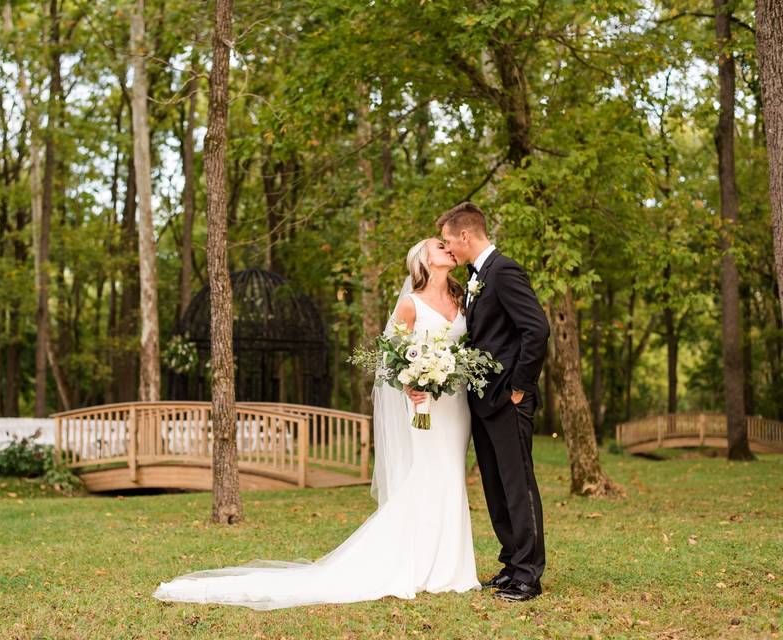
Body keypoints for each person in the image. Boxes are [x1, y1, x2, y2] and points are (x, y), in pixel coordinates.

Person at [152, 237, 480, 610]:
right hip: (424, 406)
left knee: (451, 474)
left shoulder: (464, 298)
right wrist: (411, 385)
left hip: (456, 405)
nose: (448, 249)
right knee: (426, 475)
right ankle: (422, 564)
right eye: (440, 246)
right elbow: (390, 358)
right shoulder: (410, 305)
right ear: (423, 260)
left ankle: (453, 567)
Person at [412, 201, 550, 602]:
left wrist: (519, 388)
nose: (450, 249)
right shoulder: (476, 278)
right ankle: (511, 564)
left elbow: (536, 330)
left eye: (450, 240)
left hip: (508, 399)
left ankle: (528, 575)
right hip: (482, 402)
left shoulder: (503, 271)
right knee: (496, 485)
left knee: (517, 483)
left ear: (466, 236)